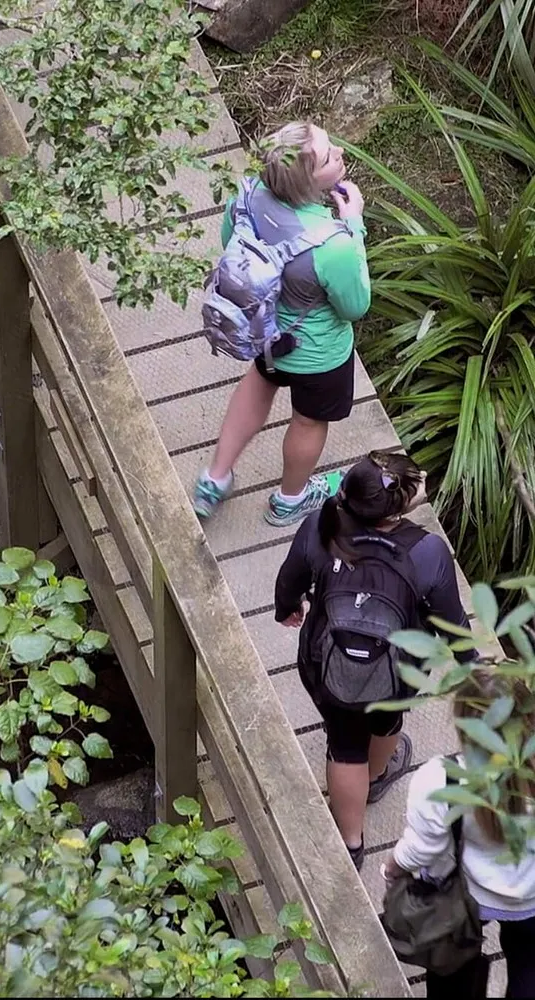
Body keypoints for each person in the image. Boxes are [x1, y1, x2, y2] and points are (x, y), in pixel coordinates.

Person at [274, 451, 473, 869]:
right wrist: (471, 667)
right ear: (397, 509)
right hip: (397, 670)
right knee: (386, 718)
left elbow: (290, 579)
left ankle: (351, 843)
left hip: (328, 665)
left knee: (344, 744)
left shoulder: (320, 526)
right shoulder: (427, 552)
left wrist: (287, 609)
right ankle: (379, 774)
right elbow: (452, 624)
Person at [193, 121, 371, 527]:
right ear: (307, 181)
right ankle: (290, 500)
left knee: (257, 385)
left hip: (264, 332)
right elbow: (355, 306)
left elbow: (230, 243)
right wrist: (354, 224)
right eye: (329, 157)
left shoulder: (249, 194)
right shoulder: (333, 244)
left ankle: (214, 479)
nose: (340, 153)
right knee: (308, 420)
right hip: (318, 356)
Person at [383, 671, 535, 999]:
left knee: (453, 978)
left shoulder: (442, 779)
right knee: (529, 968)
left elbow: (423, 848)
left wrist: (392, 867)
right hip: (532, 899)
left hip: (465, 899)